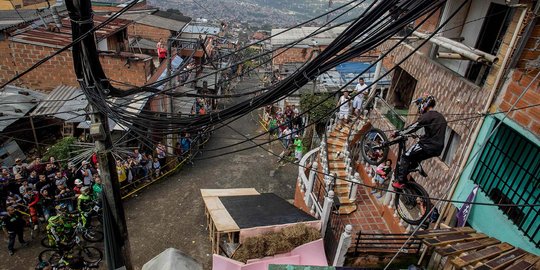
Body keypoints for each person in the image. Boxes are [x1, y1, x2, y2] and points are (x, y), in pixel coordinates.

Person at [392, 95, 447, 189]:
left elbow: (413, 127)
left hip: (427, 145)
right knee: (412, 158)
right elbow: (435, 133)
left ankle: (400, 181)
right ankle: (415, 166)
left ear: (424, 105)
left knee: (405, 156)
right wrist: (422, 136)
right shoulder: (440, 117)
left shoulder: (427, 116)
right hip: (437, 149)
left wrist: (398, 133)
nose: (419, 108)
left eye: (419, 105)